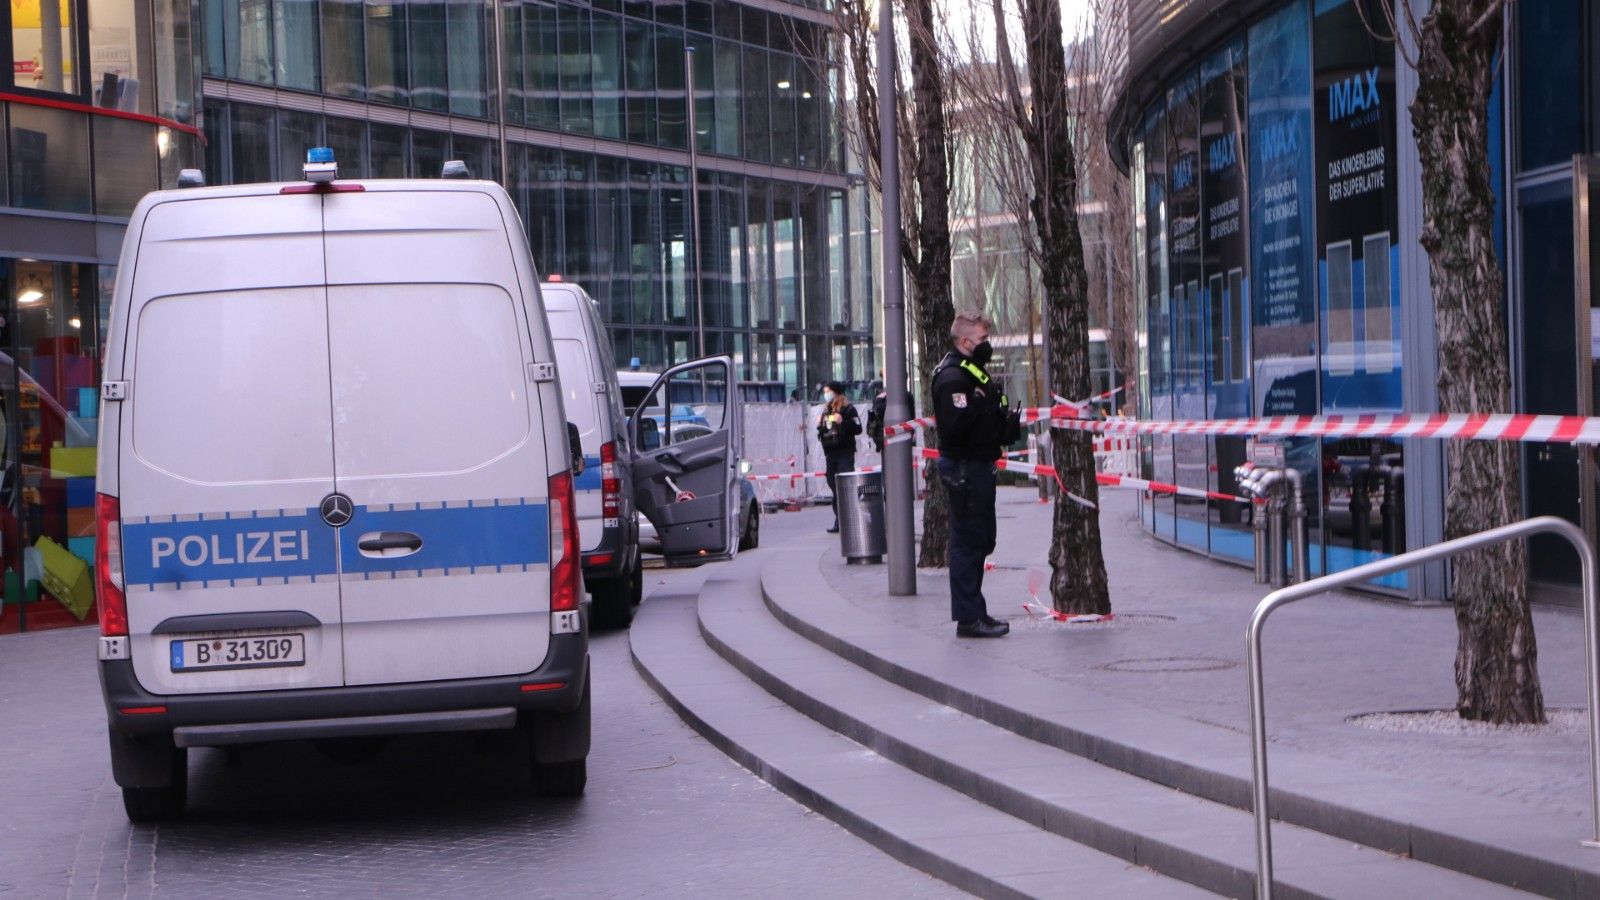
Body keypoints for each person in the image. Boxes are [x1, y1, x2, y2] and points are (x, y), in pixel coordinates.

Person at [931, 309, 1020, 638]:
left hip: (976, 466)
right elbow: (957, 426)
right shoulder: (954, 376)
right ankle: (969, 618)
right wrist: (983, 408)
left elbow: (980, 414)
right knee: (968, 543)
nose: (988, 344)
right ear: (965, 340)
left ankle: (975, 611)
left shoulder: (970, 371)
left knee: (981, 540)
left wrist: (1003, 425)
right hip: (965, 470)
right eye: (983, 338)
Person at [817, 380, 862, 533]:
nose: (826, 394)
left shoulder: (848, 409)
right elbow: (823, 431)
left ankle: (848, 519)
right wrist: (820, 425)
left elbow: (858, 428)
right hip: (831, 454)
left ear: (836, 392)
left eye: (828, 391)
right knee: (834, 485)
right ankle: (840, 519)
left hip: (844, 453)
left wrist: (843, 422)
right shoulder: (826, 411)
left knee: (845, 485)